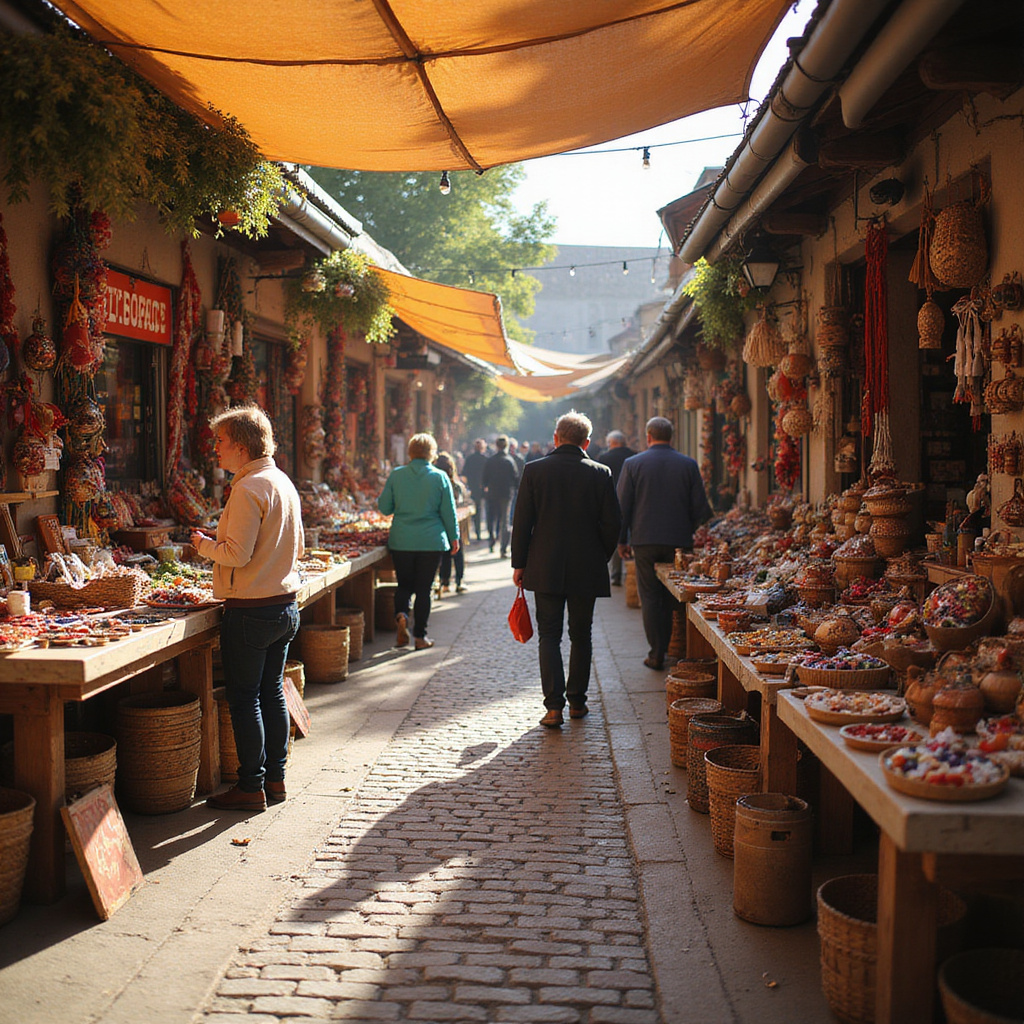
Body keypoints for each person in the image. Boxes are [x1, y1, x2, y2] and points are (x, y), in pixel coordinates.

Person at [191, 406, 303, 812]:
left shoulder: (248, 488)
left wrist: (202, 544)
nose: (215, 449)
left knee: (244, 698)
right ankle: (275, 779)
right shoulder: (282, 482)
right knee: (270, 693)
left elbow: (235, 555)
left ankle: (250, 786)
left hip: (251, 609)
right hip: (284, 606)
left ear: (240, 446)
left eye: (220, 441)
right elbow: (299, 548)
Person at [512, 411, 621, 728]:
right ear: (586, 442)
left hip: (544, 565)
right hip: (586, 566)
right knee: (581, 634)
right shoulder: (601, 473)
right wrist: (600, 555)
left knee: (549, 635)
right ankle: (577, 702)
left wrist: (520, 563)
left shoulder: (534, 471)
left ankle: (553, 707)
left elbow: (522, 523)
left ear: (556, 438)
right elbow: (612, 523)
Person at [617, 416, 712, 671]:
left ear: (648, 436)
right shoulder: (688, 465)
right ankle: (679, 652)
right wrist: (687, 529)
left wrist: (622, 540)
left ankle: (656, 653)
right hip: (678, 542)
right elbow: (701, 508)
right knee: (675, 596)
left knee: (649, 597)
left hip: (644, 540)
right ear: (672, 436)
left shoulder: (632, 464)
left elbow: (622, 507)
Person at [378, 432, 460, 650]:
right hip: (431, 541)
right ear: (431, 453)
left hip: (402, 540)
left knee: (403, 585)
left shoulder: (397, 475)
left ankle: (402, 614)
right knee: (424, 589)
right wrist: (454, 537)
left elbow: (384, 507)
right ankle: (420, 637)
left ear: (410, 452)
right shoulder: (440, 477)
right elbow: (448, 512)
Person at [597, 430, 636, 586]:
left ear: (611, 443)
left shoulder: (604, 458)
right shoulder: (634, 456)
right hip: (633, 501)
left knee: (616, 535)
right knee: (632, 534)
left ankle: (616, 573)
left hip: (612, 501)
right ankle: (632, 569)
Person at [434, 450, 468, 595]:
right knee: (457, 552)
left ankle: (444, 582)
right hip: (453, 521)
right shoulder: (455, 484)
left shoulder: (434, 481)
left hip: (438, 523)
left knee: (445, 553)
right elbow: (459, 502)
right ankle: (459, 580)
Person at [482, 434, 519, 557]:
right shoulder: (510, 461)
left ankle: (491, 541)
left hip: (492, 493)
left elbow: (484, 479)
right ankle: (503, 548)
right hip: (506, 494)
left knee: (491, 518)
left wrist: (486, 488)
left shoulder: (490, 460)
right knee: (505, 521)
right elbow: (516, 478)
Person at [462, 438, 488, 541]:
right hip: (483, 488)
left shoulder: (469, 459)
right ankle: (480, 532)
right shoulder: (485, 459)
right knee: (482, 509)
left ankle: (475, 531)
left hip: (473, 488)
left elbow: (465, 474)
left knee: (474, 510)